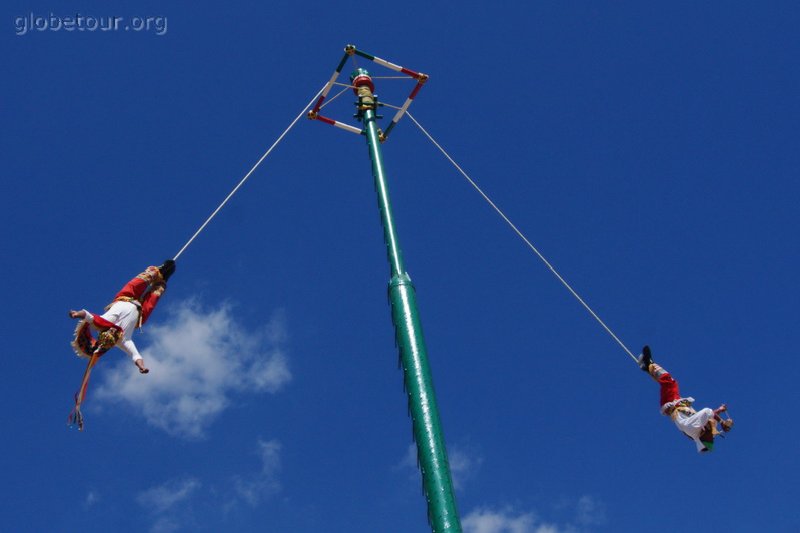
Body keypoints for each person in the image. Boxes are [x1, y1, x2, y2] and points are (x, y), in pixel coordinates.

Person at [69, 260, 175, 373]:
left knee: (137, 283)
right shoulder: (123, 341)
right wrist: (141, 367)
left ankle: (156, 272)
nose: (113, 333)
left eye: (110, 333)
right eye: (114, 336)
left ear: (104, 333)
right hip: (140, 313)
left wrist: (76, 314)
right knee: (153, 299)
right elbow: (135, 355)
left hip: (126, 297)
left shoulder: (103, 323)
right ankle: (161, 283)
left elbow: (87, 316)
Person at [638, 345, 733, 453]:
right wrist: (720, 411)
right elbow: (709, 416)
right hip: (675, 403)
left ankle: (649, 363)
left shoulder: (694, 427)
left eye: (710, 438)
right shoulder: (698, 430)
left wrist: (722, 422)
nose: (712, 436)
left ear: (702, 438)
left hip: (671, 403)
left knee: (670, 382)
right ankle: (647, 367)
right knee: (667, 383)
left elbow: (707, 412)